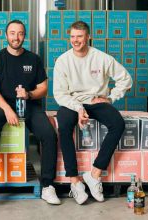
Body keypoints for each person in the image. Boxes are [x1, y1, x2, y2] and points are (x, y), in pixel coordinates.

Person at [0, 20, 60, 205]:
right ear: (6, 35)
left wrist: (29, 94)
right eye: (12, 33)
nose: (16, 37)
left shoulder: (34, 59)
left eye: (20, 33)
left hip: (29, 104)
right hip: (2, 103)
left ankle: (48, 185)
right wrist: (7, 109)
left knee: (48, 134)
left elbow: (43, 88)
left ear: (24, 35)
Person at [53, 21, 132, 204]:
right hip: (72, 102)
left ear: (88, 37)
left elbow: (125, 79)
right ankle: (74, 180)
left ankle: (94, 174)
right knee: (64, 126)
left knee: (118, 123)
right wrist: (78, 108)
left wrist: (111, 98)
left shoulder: (102, 58)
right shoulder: (63, 61)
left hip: (96, 100)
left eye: (79, 36)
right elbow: (60, 94)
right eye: (72, 36)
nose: (75, 40)